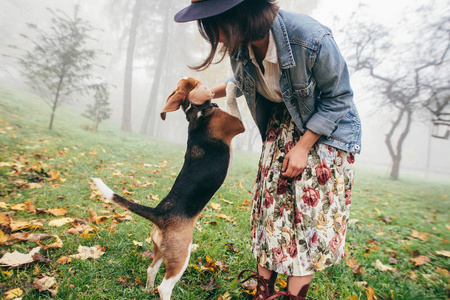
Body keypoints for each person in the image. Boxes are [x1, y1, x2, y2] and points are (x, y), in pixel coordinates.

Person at [174, 1, 361, 299]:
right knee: (269, 211)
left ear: (237, 15)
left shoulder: (310, 38)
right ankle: (264, 291)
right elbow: (246, 79)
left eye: (213, 22)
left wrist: (302, 148)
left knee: (306, 216)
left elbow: (340, 98)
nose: (212, 34)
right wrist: (209, 91)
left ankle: (293, 295)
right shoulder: (241, 45)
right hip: (280, 128)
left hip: (324, 134)